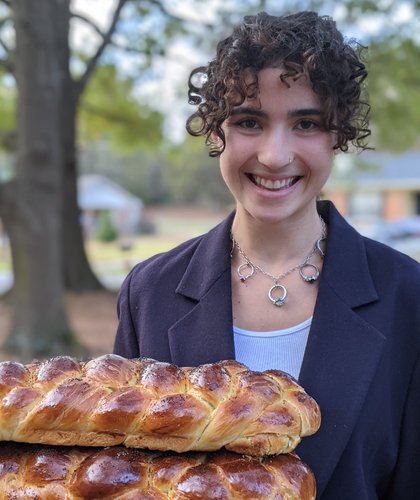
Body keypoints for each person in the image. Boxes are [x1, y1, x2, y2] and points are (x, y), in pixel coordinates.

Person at [113, 11, 420, 499]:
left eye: (306, 123)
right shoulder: (148, 294)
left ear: (338, 134)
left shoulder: (408, 297)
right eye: (250, 121)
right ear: (216, 132)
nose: (275, 155)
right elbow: (123, 478)